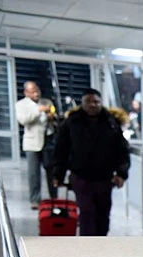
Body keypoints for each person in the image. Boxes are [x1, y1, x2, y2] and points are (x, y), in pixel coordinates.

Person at [53, 88, 130, 236]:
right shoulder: (72, 123)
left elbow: (122, 151)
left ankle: (100, 244)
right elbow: (61, 150)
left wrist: (121, 173)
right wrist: (58, 174)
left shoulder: (111, 123)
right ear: (82, 104)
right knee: (87, 213)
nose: (93, 105)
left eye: (96, 101)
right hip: (81, 177)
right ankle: (87, 248)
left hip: (104, 178)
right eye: (88, 101)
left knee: (103, 214)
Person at [15, 81, 54, 209]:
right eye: (33, 92)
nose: (36, 93)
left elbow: (54, 117)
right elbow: (23, 120)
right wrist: (38, 111)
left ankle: (54, 198)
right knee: (34, 173)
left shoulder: (46, 102)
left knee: (51, 171)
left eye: (37, 90)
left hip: (48, 141)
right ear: (26, 93)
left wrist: (51, 117)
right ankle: (35, 200)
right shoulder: (20, 105)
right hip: (32, 143)